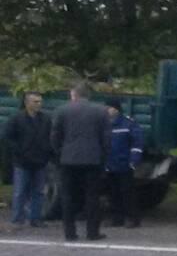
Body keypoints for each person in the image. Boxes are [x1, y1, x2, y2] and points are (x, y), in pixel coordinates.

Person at [51, 82, 111, 242]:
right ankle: (92, 232)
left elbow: (55, 136)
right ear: (89, 95)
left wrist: (60, 153)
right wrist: (102, 157)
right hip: (92, 159)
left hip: (68, 159)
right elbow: (106, 138)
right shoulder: (101, 111)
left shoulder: (62, 110)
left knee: (67, 196)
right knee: (92, 196)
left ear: (74, 95)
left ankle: (70, 233)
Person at [3, 91, 54, 228]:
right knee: (20, 191)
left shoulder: (46, 119)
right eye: (35, 101)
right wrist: (19, 152)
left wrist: (47, 153)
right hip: (22, 161)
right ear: (27, 103)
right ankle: (17, 219)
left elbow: (50, 138)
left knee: (39, 192)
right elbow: (8, 138)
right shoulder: (16, 119)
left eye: (40, 101)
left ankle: (35, 218)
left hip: (40, 161)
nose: (39, 104)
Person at [104, 99, 143, 228]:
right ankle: (117, 218)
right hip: (110, 164)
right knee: (113, 193)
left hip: (124, 164)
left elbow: (137, 143)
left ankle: (132, 218)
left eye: (109, 107)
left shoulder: (128, 124)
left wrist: (133, 161)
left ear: (116, 109)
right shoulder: (105, 124)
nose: (107, 110)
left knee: (127, 193)